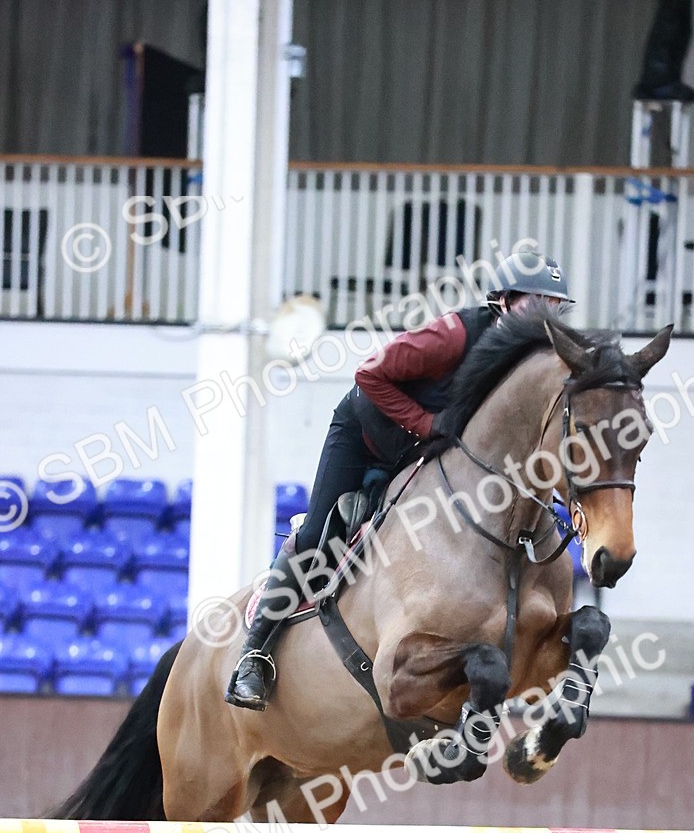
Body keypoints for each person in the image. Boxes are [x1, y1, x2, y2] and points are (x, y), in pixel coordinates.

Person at [225, 251, 573, 710]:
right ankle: (254, 655)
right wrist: (427, 424)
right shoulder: (452, 335)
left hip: (431, 453)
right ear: (504, 300)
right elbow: (370, 375)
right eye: (537, 302)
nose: (548, 316)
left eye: (556, 306)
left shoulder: (534, 362)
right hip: (366, 433)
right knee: (316, 537)